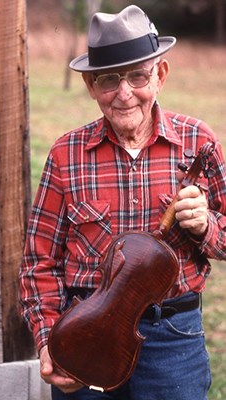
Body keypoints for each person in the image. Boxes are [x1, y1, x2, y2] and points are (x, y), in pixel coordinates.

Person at [19, 5, 226, 400]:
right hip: (86, 336)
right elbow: (38, 263)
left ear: (160, 75)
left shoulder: (199, 142)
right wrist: (48, 342)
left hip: (173, 338)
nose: (125, 93)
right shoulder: (66, 154)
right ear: (91, 86)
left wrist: (206, 226)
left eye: (137, 75)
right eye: (109, 80)